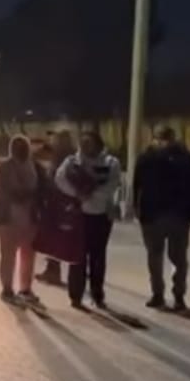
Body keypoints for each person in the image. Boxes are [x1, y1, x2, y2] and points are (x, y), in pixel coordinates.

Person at [133, 125, 190, 311]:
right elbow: (137, 185)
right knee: (164, 257)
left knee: (171, 257)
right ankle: (164, 294)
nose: (164, 143)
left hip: (169, 214)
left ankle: (171, 295)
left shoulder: (177, 158)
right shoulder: (182, 158)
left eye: (165, 139)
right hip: (163, 215)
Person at [55, 131, 121, 310]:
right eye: (83, 143)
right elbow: (59, 179)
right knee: (77, 257)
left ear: (98, 144)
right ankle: (75, 295)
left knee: (98, 258)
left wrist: (90, 195)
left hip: (101, 217)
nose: (86, 147)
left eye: (89, 143)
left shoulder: (110, 163)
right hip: (79, 216)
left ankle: (97, 294)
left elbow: (112, 185)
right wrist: (77, 194)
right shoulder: (72, 162)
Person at [0, 135, 45, 303]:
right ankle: (7, 288)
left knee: (28, 254)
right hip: (7, 216)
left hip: (30, 216)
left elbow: (44, 188)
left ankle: (25, 288)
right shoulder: (5, 168)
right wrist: (16, 196)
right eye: (17, 147)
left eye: (23, 147)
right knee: (8, 254)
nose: (20, 150)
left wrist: (32, 198)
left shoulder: (36, 167)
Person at [36, 130, 75, 286]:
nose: (51, 141)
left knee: (55, 238)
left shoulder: (62, 158)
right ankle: (52, 270)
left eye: (55, 139)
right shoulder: (67, 157)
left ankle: (54, 271)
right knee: (55, 239)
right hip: (60, 203)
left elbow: (56, 180)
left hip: (58, 204)